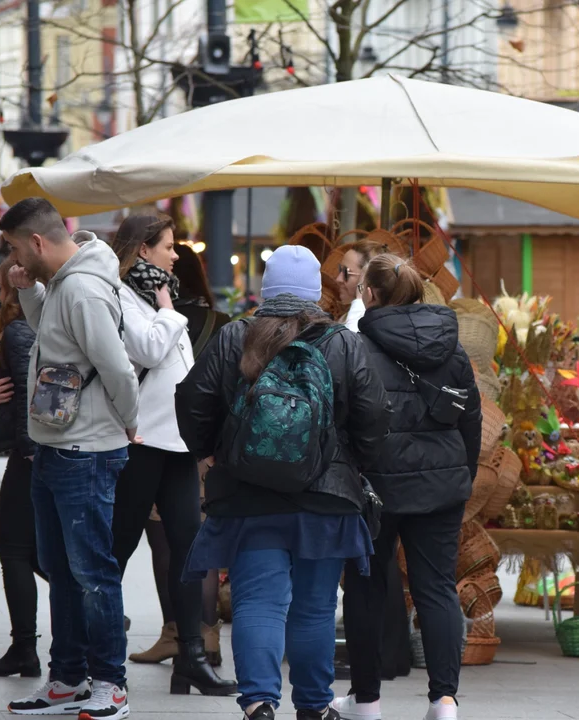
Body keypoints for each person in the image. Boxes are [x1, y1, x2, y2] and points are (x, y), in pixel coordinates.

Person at [176, 245, 390, 720]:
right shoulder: (343, 342)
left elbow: (193, 400)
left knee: (258, 601)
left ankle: (258, 703)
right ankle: (313, 705)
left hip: (249, 496)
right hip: (326, 497)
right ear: (317, 290)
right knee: (314, 607)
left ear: (265, 288)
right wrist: (354, 463)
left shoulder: (235, 336)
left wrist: (211, 454)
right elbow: (375, 418)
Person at [0, 197, 140, 720]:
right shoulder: (61, 282)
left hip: (86, 451)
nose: (12, 256)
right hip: (57, 445)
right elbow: (55, 335)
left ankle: (110, 683)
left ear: (37, 242)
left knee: (92, 572)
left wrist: (128, 421)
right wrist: (29, 288)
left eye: (15, 247)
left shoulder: (82, 288)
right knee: (62, 570)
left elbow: (118, 368)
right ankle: (67, 678)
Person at [335, 255, 482, 720]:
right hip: (442, 484)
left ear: (371, 295)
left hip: (374, 486)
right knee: (437, 588)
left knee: (365, 588)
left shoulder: (356, 348)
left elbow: (345, 422)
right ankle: (444, 701)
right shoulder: (453, 351)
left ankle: (366, 702)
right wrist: (462, 475)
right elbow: (471, 422)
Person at [107, 213, 235, 697]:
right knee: (116, 551)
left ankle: (192, 660)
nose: (176, 254)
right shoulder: (121, 295)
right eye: (168, 246)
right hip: (139, 442)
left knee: (189, 551)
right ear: (143, 249)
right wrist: (170, 309)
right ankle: (89, 657)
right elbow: (147, 350)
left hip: (177, 443)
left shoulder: (159, 296)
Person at [130, 241, 230, 667]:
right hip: (205, 450)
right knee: (196, 542)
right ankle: (205, 635)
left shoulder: (150, 317)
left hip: (158, 440)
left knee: (164, 544)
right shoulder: (220, 322)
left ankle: (174, 632)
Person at [0, 255, 43, 678]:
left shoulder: (19, 329)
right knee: (35, 552)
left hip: (30, 455)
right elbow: (14, 394)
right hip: (34, 451)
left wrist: (30, 453)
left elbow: (28, 397)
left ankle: (25, 649)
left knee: (15, 550)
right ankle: (96, 610)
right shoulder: (30, 325)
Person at [335, 240, 386, 331]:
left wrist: (360, 300)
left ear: (366, 279)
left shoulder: (379, 322)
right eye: (340, 270)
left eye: (346, 273)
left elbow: (350, 342)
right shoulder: (346, 317)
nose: (338, 279)